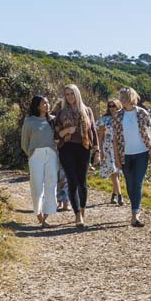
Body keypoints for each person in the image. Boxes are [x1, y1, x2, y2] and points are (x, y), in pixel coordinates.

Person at [113, 87, 151, 227]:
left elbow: (148, 133)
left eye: (125, 97)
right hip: (125, 155)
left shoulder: (143, 113)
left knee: (137, 183)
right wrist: (116, 158)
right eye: (121, 97)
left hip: (141, 153)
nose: (122, 99)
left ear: (131, 97)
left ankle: (135, 215)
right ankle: (135, 209)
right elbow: (114, 138)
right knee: (129, 184)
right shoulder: (118, 116)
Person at [54, 84, 99, 228]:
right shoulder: (61, 113)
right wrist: (67, 130)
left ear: (77, 94)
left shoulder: (87, 111)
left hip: (84, 148)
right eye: (67, 94)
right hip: (66, 149)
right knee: (72, 182)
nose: (69, 97)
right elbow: (56, 135)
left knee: (82, 183)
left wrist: (97, 151)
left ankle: (83, 210)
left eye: (72, 94)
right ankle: (77, 214)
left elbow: (93, 130)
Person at [20, 95, 58, 228]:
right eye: (44, 103)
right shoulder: (29, 121)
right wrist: (31, 154)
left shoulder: (53, 120)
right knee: (36, 186)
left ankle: (46, 216)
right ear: (37, 106)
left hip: (52, 155)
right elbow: (24, 142)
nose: (47, 105)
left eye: (48, 102)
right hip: (36, 155)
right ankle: (38, 213)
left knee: (51, 184)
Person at [97, 98, 124, 205]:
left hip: (119, 148)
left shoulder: (122, 118)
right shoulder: (104, 119)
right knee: (113, 172)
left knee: (117, 173)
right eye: (110, 106)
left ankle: (113, 194)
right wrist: (100, 151)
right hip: (108, 148)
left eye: (114, 106)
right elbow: (100, 136)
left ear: (118, 106)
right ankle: (120, 196)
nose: (112, 108)